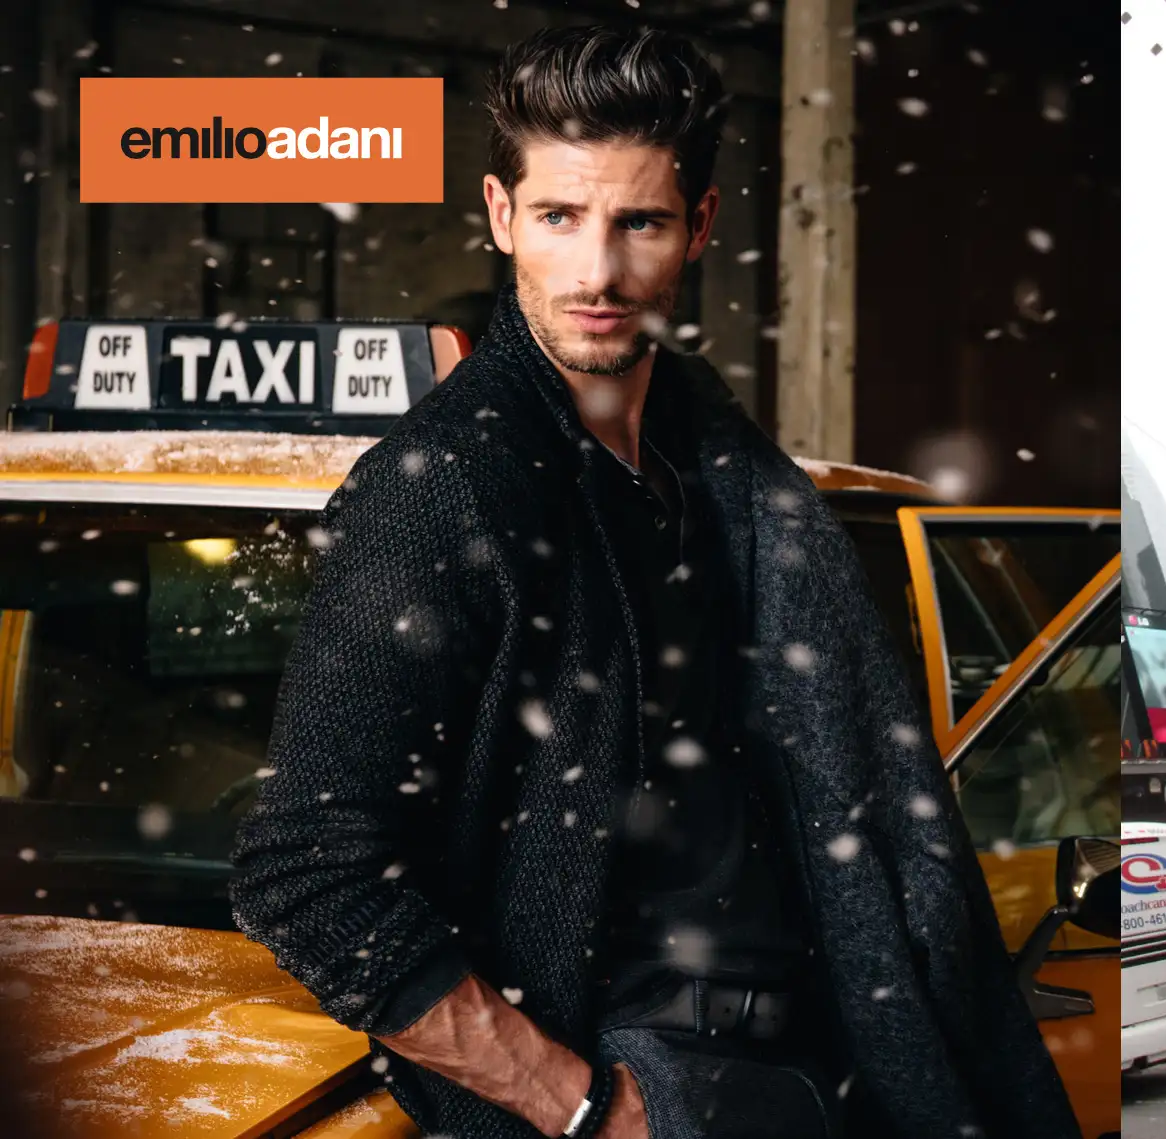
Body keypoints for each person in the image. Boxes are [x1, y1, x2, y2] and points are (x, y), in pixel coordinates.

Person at [227, 25, 1077, 1139]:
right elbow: (304, 872)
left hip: (821, 1061)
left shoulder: (719, 468)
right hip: (639, 1085)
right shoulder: (447, 489)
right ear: (500, 215)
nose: (597, 272)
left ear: (699, 228)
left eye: (640, 222)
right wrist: (579, 1108)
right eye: (559, 218)